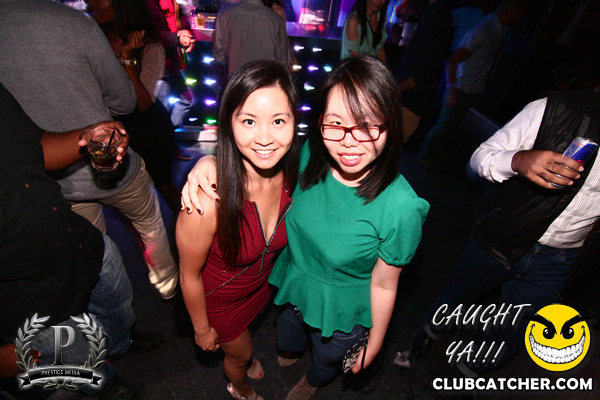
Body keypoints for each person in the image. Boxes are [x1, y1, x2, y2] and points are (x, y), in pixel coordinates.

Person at [181, 56, 429, 400]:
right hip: (289, 288)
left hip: (341, 308)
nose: (349, 140)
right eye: (336, 123)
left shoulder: (402, 207)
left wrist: (375, 342)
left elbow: (385, 285)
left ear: (391, 123)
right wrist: (207, 160)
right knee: (287, 339)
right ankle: (285, 354)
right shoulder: (311, 155)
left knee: (326, 358)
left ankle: (312, 381)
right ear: (319, 122)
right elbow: (252, 157)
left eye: (367, 124)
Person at [410, 89, 600, 377]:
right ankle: (433, 330)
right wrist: (518, 160)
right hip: (500, 238)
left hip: (560, 259)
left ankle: (472, 368)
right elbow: (479, 159)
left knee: (516, 326)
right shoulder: (555, 109)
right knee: (457, 296)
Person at [0, 0, 179, 300]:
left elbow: (140, 102)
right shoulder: (76, 23)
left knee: (96, 248)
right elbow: (123, 101)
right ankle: (164, 293)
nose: (92, 0)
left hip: (64, 171)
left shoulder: (141, 42)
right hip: (105, 157)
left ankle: (124, 308)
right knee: (136, 232)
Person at [0, 81, 157, 400]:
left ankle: (120, 345)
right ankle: (102, 379)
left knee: (119, 311)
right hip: (24, 296)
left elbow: (36, 147)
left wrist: (87, 137)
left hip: (78, 240)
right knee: (80, 358)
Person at [177, 61, 300, 400]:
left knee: (244, 340)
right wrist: (202, 329)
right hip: (220, 303)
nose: (265, 138)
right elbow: (188, 274)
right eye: (249, 121)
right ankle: (240, 386)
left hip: (259, 289)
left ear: (294, 122)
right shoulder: (208, 200)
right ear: (228, 124)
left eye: (278, 121)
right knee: (241, 355)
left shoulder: (295, 176)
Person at [89, 0, 182, 211]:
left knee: (164, 187)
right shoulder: (96, 38)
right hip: (113, 124)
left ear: (123, 5)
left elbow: (143, 104)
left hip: (149, 127)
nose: (91, 2)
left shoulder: (150, 46)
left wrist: (126, 59)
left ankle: (195, 229)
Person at [418, 0, 528, 172]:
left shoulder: (501, 30)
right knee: (443, 124)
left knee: (453, 124)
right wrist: (452, 90)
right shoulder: (483, 30)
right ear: (514, 11)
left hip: (474, 87)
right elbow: (454, 60)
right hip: (461, 87)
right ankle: (423, 156)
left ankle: (437, 152)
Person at [396, 0, 453, 140]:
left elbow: (420, 75)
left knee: (390, 148)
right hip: (408, 100)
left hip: (409, 102)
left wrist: (392, 89)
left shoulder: (437, 18)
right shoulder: (433, 13)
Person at [147, 0, 196, 132]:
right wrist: (177, 39)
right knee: (161, 111)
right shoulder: (149, 3)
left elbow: (178, 16)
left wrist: (185, 30)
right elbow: (152, 33)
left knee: (187, 98)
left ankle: (167, 133)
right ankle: (164, 136)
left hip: (171, 62)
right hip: (157, 63)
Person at [212, 0, 291, 78]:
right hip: (264, 80)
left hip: (235, 79)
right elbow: (283, 61)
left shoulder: (225, 13)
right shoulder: (275, 19)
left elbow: (218, 54)